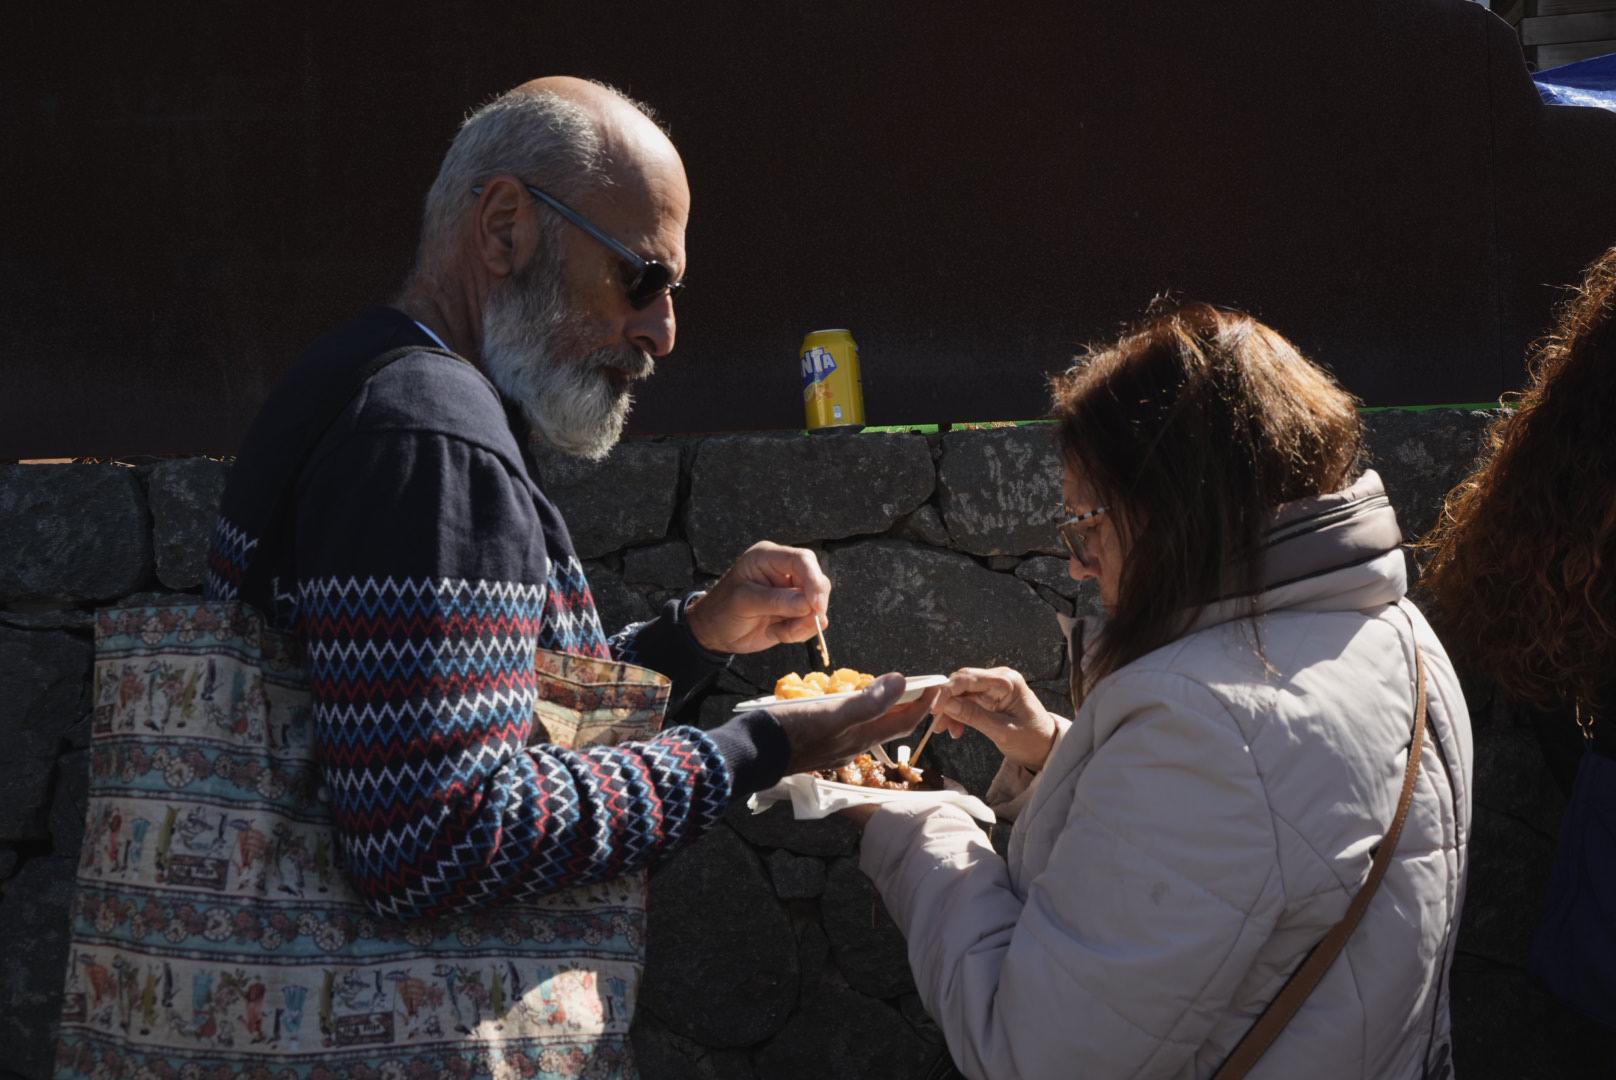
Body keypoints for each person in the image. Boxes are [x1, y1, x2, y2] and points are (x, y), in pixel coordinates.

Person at [199, 77, 923, 1059]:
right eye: (641, 278)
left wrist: (696, 632)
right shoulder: (428, 439)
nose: (661, 332)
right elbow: (433, 840)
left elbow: (510, 724)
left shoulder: (366, 381)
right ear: (503, 229)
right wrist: (761, 746)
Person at [847, 303, 1473, 1078]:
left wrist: (920, 824)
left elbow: (1035, 1055)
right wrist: (1055, 748)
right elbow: (1277, 826)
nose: (1076, 561)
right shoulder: (1399, 631)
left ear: (1172, 507)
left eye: (1087, 521)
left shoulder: (1205, 729)